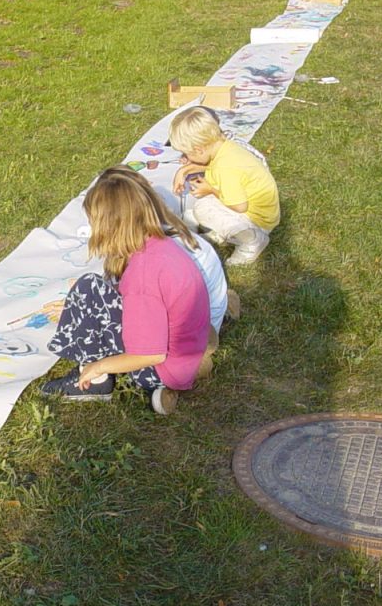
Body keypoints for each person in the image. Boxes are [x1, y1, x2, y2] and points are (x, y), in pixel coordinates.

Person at [41, 167, 211, 415]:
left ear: (109, 227)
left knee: (88, 288)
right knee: (97, 290)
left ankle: (96, 383)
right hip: (188, 354)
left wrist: (99, 367)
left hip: (160, 370)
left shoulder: (142, 275)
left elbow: (150, 355)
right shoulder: (160, 245)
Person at [170, 106, 280, 265]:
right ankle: (223, 233)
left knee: (202, 208)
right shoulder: (225, 147)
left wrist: (210, 190)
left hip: (258, 220)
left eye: (187, 154)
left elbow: (240, 206)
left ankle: (252, 241)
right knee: (199, 209)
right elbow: (211, 166)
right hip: (263, 212)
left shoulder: (225, 167)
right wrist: (184, 170)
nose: (187, 158)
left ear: (199, 150)